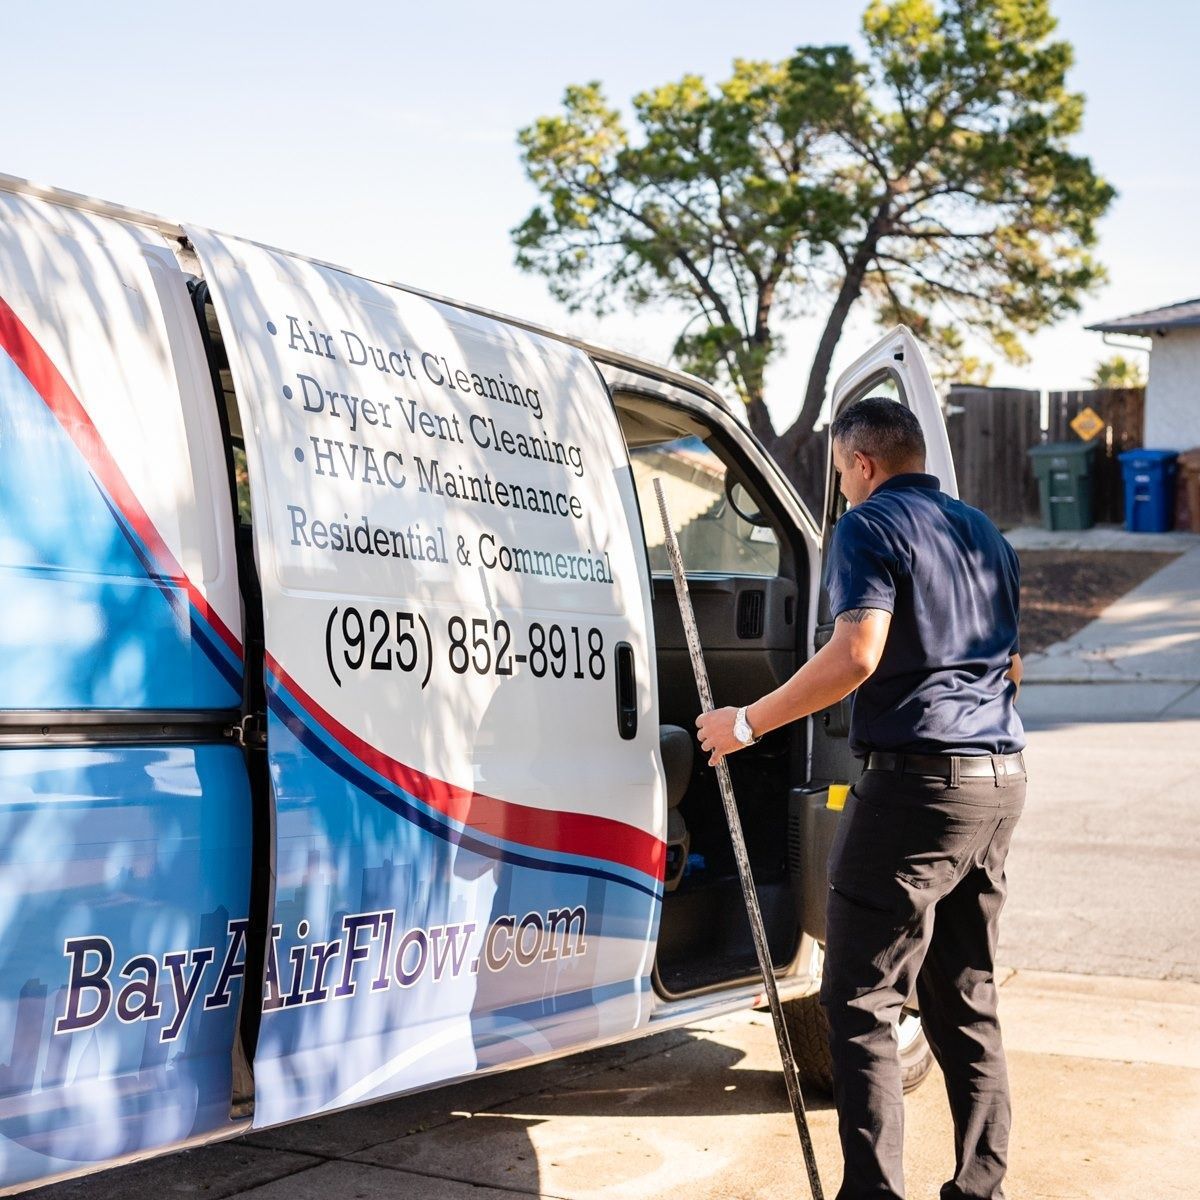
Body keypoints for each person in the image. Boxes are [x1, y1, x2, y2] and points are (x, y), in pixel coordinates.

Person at [696, 396, 1025, 1200]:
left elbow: (855, 655)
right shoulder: (987, 534)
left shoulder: (868, 525)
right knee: (966, 997)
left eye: (842, 469)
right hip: (1000, 779)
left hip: (918, 787)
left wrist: (743, 723)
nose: (842, 485)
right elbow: (1012, 671)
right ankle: (981, 1188)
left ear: (863, 462)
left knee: (862, 1001)